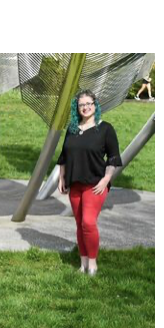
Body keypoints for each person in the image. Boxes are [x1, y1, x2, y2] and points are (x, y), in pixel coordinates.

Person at [57, 90, 122, 276]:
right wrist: (62, 177)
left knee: (88, 222)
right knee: (79, 223)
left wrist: (106, 179)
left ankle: (92, 263)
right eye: (81, 105)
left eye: (88, 103)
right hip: (74, 183)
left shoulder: (105, 129)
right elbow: (64, 155)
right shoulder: (72, 129)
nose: (85, 107)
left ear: (95, 104)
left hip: (95, 184)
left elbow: (114, 157)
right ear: (77, 108)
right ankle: (83, 262)